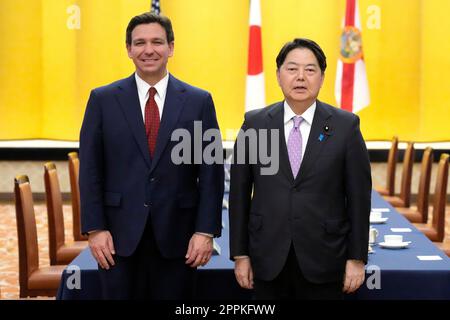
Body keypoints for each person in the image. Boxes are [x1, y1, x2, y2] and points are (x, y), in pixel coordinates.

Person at [79, 12, 224, 299]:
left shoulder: (199, 102)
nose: (149, 50)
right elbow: (91, 171)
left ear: (171, 47)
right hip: (117, 239)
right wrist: (95, 229)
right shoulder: (102, 100)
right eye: (140, 42)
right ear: (128, 49)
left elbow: (211, 173)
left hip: (179, 238)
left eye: (157, 42)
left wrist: (205, 232)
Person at [229, 38, 371, 299]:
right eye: (292, 69)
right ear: (278, 75)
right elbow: (238, 195)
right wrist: (240, 254)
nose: (301, 77)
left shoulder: (346, 126)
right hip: (267, 257)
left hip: (325, 258)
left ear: (322, 77)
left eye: (310, 69)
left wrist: (357, 258)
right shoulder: (255, 123)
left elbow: (359, 199)